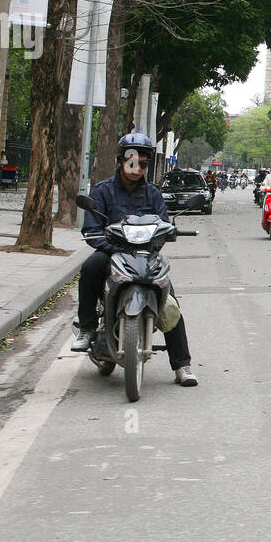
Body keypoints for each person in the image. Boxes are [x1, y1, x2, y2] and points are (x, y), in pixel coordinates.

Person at [71, 133, 197, 387]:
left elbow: (162, 225)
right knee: (91, 266)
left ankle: (182, 365)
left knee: (169, 300)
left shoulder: (153, 193)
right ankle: (86, 327)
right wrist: (108, 246)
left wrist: (164, 235)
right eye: (131, 160)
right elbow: (92, 228)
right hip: (111, 252)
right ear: (120, 161)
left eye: (142, 162)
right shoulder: (102, 190)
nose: (136, 167)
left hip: (145, 255)